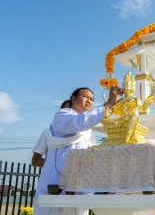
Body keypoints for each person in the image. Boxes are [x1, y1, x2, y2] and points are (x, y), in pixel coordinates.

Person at [34, 86, 122, 215]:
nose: (89, 100)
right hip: (56, 183)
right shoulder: (63, 115)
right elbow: (79, 122)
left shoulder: (89, 130)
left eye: (92, 99)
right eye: (85, 96)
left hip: (79, 185)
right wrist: (108, 104)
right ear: (73, 99)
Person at [32, 100, 71, 168]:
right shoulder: (48, 133)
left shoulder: (85, 135)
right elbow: (35, 161)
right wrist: (58, 164)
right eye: (66, 111)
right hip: (53, 177)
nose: (69, 114)